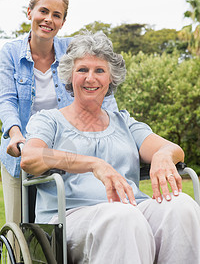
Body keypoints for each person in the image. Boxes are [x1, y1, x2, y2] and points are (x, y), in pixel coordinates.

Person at [21, 31, 200, 264]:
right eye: (82, 70)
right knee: (123, 216)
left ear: (111, 78)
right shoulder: (49, 120)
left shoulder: (124, 122)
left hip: (132, 208)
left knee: (181, 206)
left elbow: (172, 148)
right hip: (70, 217)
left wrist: (164, 155)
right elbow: (30, 157)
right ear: (69, 76)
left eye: (100, 70)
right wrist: (93, 164)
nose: (90, 78)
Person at [0, 0, 118, 226]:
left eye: (56, 15)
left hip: (66, 146)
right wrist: (15, 134)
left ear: (63, 22)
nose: (48, 19)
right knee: (19, 225)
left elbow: (101, 90)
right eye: (43, 11)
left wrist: (115, 127)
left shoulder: (72, 49)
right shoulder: (10, 53)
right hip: (22, 147)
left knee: (72, 219)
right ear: (29, 12)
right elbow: (7, 99)